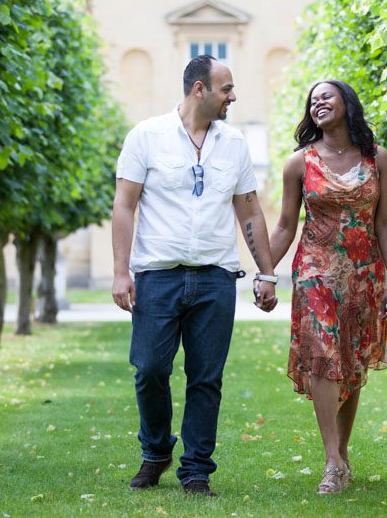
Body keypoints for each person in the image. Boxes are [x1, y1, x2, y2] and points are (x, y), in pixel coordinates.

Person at [111, 55, 278, 498]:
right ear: (199, 90)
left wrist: (267, 272)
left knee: (206, 378)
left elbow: (249, 209)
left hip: (215, 278)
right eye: (226, 88)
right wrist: (120, 272)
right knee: (149, 369)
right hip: (157, 276)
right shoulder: (146, 136)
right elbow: (124, 205)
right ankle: (155, 450)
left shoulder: (236, 143)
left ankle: (196, 469)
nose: (234, 96)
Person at [268, 79, 387, 494]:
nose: (318, 103)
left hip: (363, 273)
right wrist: (264, 271)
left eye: (326, 96)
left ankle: (342, 454)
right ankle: (331, 461)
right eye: (312, 100)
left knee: (351, 360)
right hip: (315, 270)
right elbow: (287, 225)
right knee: (324, 354)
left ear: (347, 102)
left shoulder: (378, 158)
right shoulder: (299, 163)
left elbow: (384, 222)